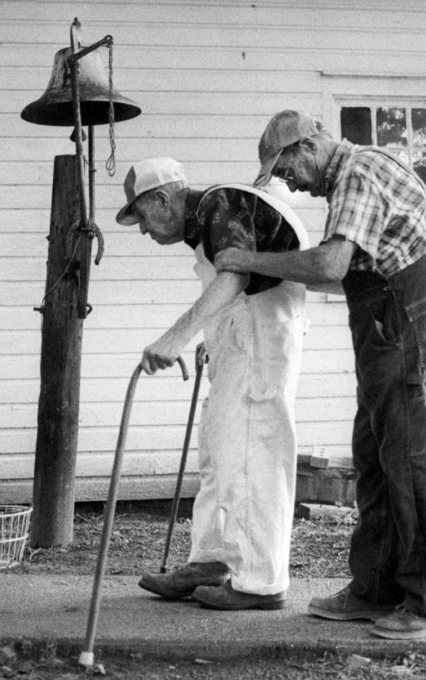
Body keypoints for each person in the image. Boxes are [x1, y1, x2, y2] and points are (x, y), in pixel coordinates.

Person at [214, 110, 426, 639]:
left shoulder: (358, 173)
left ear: (309, 146)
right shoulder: (351, 184)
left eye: (288, 172)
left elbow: (330, 266)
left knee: (414, 469)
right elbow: (345, 277)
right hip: (388, 340)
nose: (290, 185)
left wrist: (251, 259)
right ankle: (375, 589)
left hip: (410, 335)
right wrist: (279, 270)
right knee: (375, 463)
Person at [116, 157, 309, 611]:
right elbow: (230, 291)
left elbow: (236, 275)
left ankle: (261, 582)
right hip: (239, 343)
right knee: (218, 451)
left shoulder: (222, 202)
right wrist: (212, 338)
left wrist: (177, 336)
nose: (143, 229)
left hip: (260, 345)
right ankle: (212, 560)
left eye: (141, 215)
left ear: (162, 198)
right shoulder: (205, 226)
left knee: (251, 454)